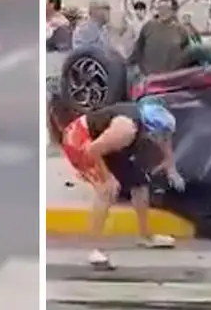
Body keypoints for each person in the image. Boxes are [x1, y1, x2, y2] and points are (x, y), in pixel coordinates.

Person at [58, 99, 185, 267]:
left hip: (104, 142)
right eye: (158, 136)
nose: (161, 140)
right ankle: (95, 249)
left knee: (139, 183)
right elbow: (93, 150)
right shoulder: (126, 130)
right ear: (149, 131)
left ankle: (145, 236)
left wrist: (170, 164)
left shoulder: (155, 119)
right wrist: (108, 177)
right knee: (107, 191)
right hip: (80, 140)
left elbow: (165, 139)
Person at [128, 0, 191, 75]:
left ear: (174, 11)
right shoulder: (148, 26)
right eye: (160, 8)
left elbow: (187, 55)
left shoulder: (181, 31)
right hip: (149, 77)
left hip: (171, 77)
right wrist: (141, 69)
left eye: (166, 9)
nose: (162, 12)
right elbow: (138, 50)